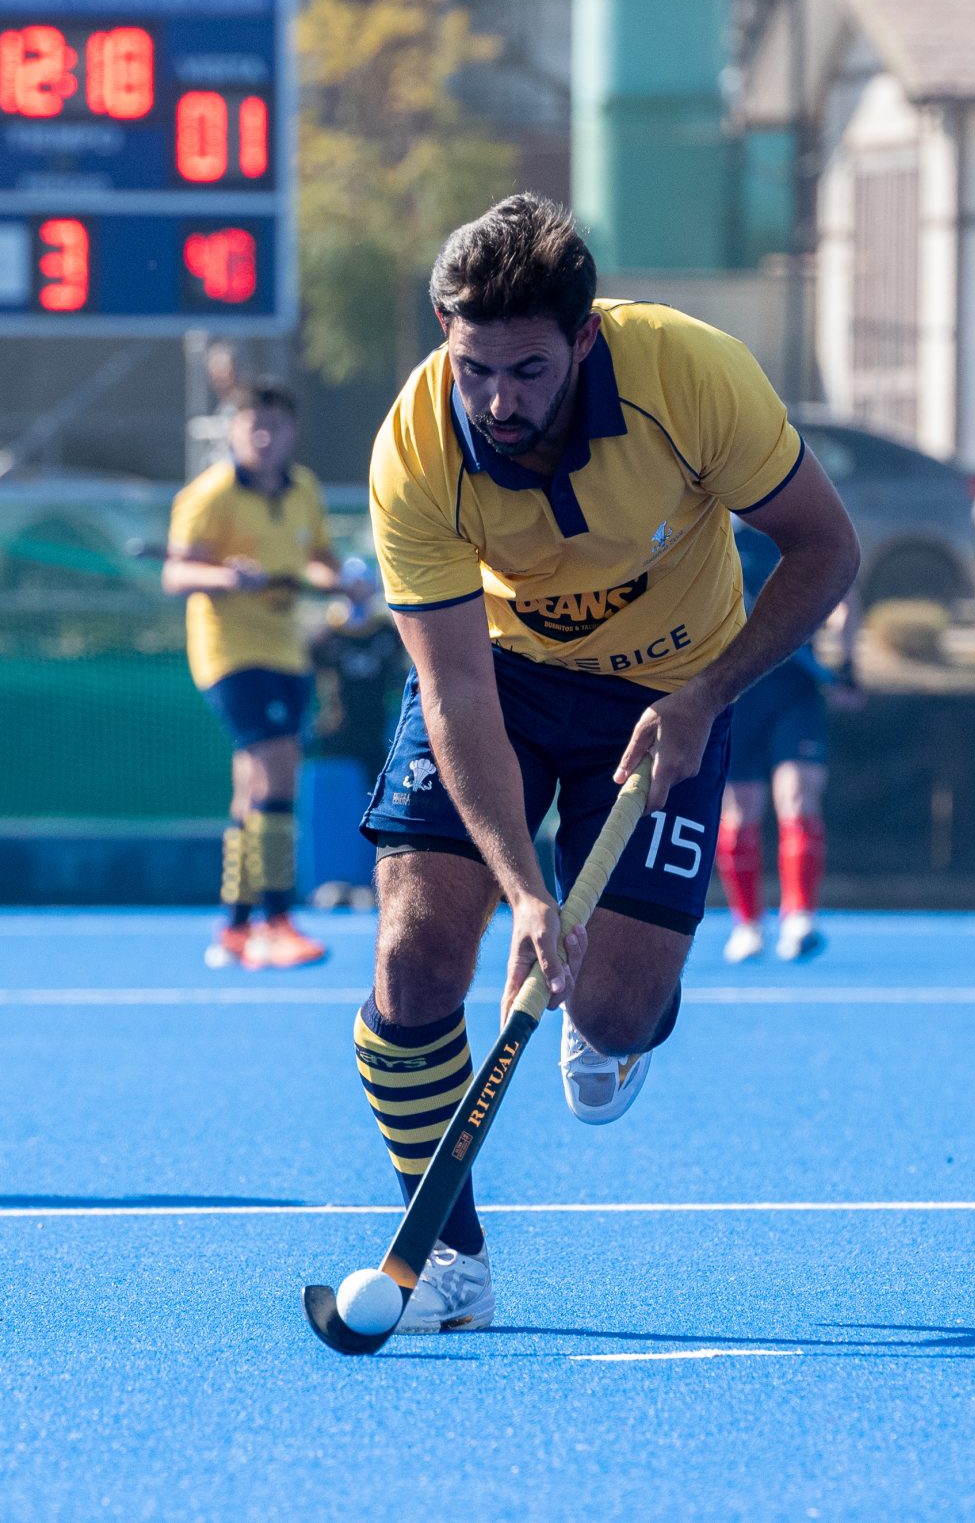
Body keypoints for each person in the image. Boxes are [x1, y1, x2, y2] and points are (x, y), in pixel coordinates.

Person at [353, 194, 858, 1331]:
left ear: (585, 338)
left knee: (618, 1011)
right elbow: (454, 692)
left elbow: (828, 548)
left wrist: (708, 696)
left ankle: (620, 1023)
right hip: (500, 677)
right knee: (415, 960)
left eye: (528, 370)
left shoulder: (690, 375)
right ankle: (448, 1264)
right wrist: (525, 890)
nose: (498, 400)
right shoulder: (415, 449)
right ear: (445, 336)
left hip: (670, 686)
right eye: (475, 367)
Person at [165, 380, 344, 970]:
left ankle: (235, 927)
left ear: (292, 432)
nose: (264, 438)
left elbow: (319, 561)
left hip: (287, 651)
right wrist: (225, 577)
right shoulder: (210, 495)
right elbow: (176, 575)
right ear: (234, 432)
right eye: (253, 427)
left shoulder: (305, 489)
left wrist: (342, 583)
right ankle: (277, 921)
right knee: (278, 764)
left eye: (275, 427)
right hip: (229, 652)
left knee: (253, 785)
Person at [716, 520, 858, 962]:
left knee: (799, 794)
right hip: (736, 691)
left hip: (794, 691)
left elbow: (842, 593)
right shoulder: (713, 534)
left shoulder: (793, 524)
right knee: (739, 808)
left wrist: (848, 665)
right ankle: (747, 924)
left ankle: (800, 917)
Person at [305, 558, 408, 908]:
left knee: (377, 811)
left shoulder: (388, 634)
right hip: (336, 739)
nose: (358, 590)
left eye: (364, 582)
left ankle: (372, 882)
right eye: (352, 582)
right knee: (337, 809)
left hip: (379, 738)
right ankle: (333, 880)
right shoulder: (325, 637)